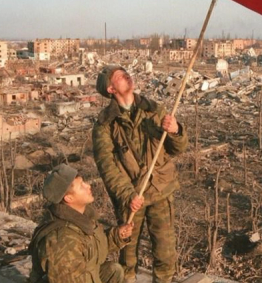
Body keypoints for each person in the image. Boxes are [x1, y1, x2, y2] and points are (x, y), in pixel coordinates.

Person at [92, 65, 189, 283]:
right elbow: (107, 166)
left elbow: (177, 149)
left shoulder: (154, 109)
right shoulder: (105, 125)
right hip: (132, 197)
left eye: (126, 73)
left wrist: (176, 131)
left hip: (161, 190)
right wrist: (128, 196)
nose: (126, 76)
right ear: (110, 88)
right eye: (119, 76)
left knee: (165, 253)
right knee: (127, 255)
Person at [29, 164, 133, 283]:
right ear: (69, 198)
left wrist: (117, 236)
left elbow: (90, 248)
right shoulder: (62, 240)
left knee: (113, 271)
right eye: (81, 186)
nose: (88, 186)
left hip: (83, 275)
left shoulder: (83, 218)